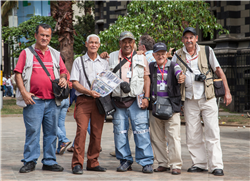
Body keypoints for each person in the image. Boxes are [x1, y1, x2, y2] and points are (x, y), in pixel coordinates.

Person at [172, 27, 232, 176]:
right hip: (189, 99)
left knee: (212, 131)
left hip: (208, 97)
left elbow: (218, 70)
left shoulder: (207, 51)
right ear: (182, 40)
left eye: (191, 37)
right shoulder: (177, 55)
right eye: (186, 38)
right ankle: (199, 163)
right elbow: (171, 74)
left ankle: (216, 165)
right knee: (192, 134)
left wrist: (227, 91)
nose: (189, 40)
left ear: (196, 38)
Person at [15, 24, 67, 173]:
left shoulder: (56, 54)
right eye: (42, 35)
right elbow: (18, 73)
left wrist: (63, 79)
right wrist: (24, 92)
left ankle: (49, 161)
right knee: (33, 132)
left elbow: (63, 71)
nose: (45, 38)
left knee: (51, 133)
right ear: (36, 35)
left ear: (51, 37)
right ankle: (30, 161)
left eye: (47, 35)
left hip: (53, 100)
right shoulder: (26, 53)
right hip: (34, 100)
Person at [109, 31, 154, 173]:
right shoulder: (111, 57)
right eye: (124, 42)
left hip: (136, 100)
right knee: (120, 132)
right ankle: (125, 160)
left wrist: (146, 97)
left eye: (130, 41)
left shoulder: (142, 58)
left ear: (134, 43)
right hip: (118, 101)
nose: (127, 44)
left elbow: (147, 79)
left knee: (141, 130)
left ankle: (146, 162)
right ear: (120, 43)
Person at [70, 34, 108, 174]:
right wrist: (89, 91)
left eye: (96, 43)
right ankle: (77, 164)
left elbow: (108, 82)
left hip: (99, 101)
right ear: (86, 44)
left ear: (99, 45)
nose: (93, 45)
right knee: (81, 131)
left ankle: (93, 162)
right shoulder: (78, 61)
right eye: (91, 42)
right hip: (84, 100)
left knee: (97, 133)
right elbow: (74, 82)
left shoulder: (104, 63)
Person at [148, 42, 185, 175]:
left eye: (163, 54)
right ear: (153, 55)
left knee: (174, 136)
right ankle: (162, 163)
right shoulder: (151, 66)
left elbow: (179, 73)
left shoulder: (173, 65)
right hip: (155, 106)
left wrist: (181, 77)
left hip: (172, 106)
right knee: (157, 137)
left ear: (167, 54)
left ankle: (175, 165)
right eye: (157, 54)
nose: (160, 56)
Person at [56, 71, 72, 155]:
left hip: (58, 99)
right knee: (61, 124)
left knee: (52, 123)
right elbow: (69, 87)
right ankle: (60, 148)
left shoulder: (55, 70)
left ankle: (64, 140)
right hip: (66, 99)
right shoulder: (66, 73)